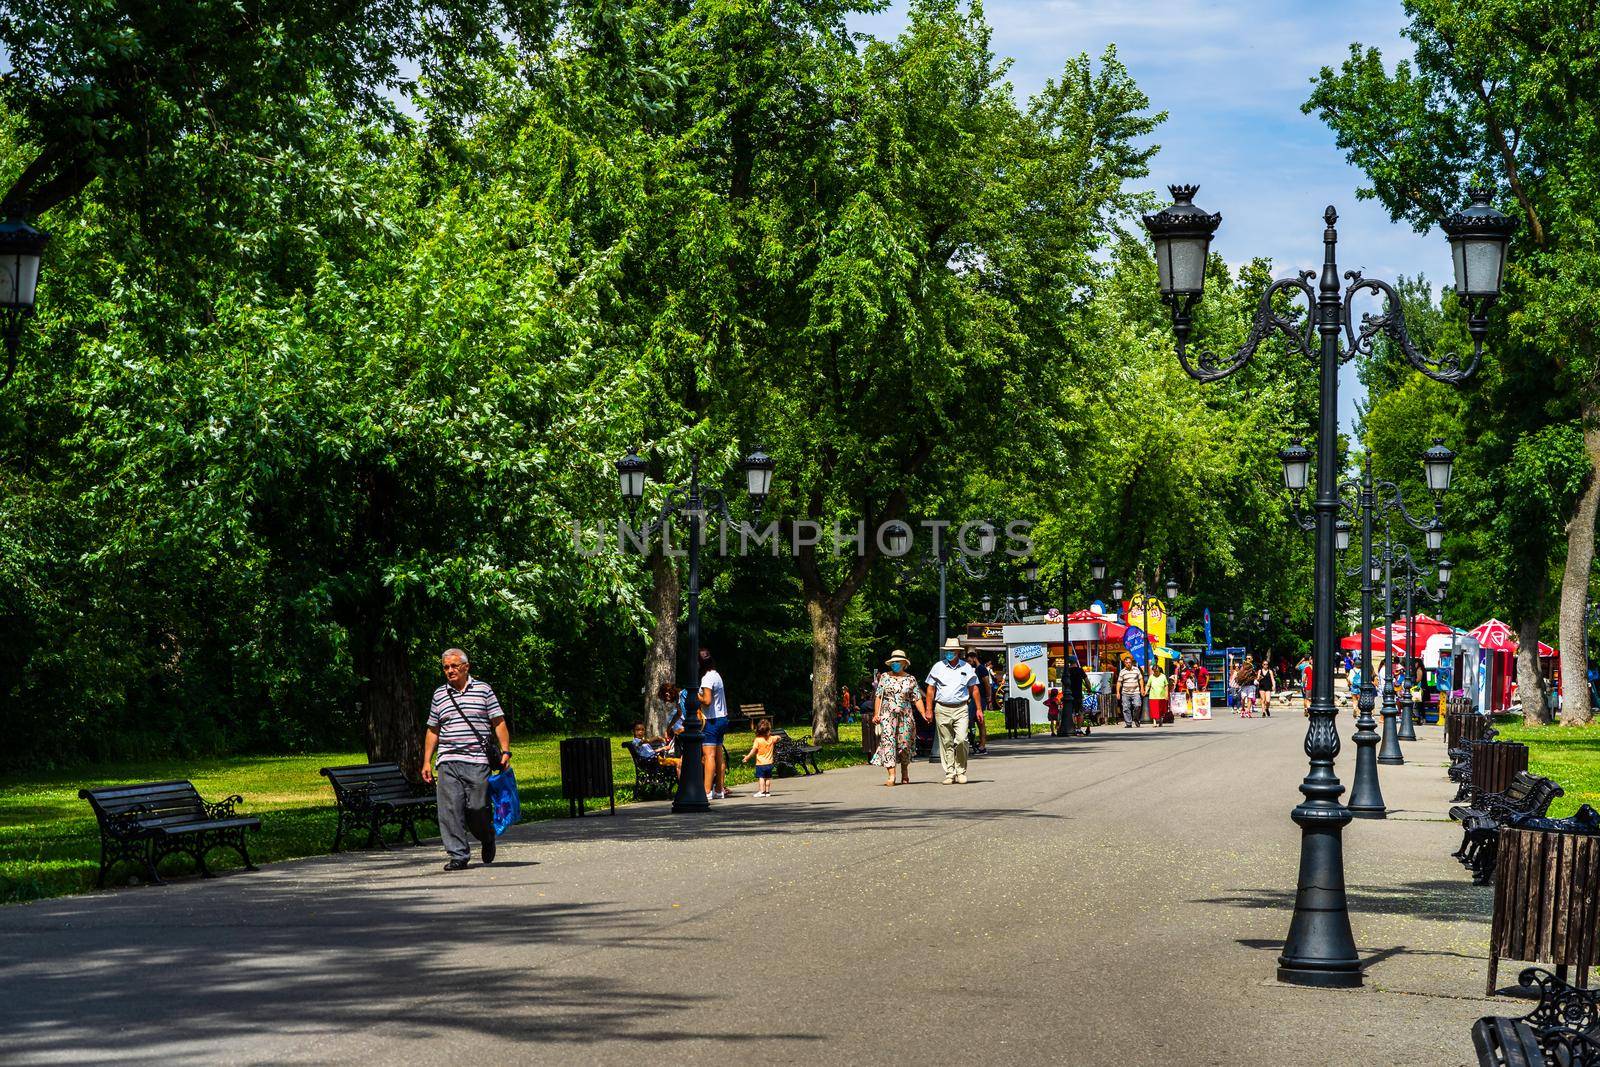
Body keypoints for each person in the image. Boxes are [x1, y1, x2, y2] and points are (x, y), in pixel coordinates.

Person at [422, 647, 510, 872]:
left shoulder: (483, 690)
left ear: (466, 667)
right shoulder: (439, 694)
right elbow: (433, 729)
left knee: (477, 808)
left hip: (478, 760)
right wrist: (426, 762)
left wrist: (506, 751)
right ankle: (458, 856)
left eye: (454, 666)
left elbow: (498, 722)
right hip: (448, 760)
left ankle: (486, 834)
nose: (450, 671)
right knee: (449, 810)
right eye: (445, 667)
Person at [924, 637, 979, 784]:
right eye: (947, 651)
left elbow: (974, 688)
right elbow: (930, 689)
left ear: (958, 652)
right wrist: (928, 709)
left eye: (952, 651)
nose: (949, 653)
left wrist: (979, 709)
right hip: (942, 708)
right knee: (946, 741)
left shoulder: (966, 667)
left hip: (961, 707)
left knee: (961, 739)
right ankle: (950, 772)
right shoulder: (938, 667)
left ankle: (961, 770)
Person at [872, 649, 927, 785]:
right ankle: (892, 776)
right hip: (887, 715)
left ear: (904, 663)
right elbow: (879, 696)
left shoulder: (910, 679)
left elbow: (917, 698)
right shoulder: (884, 677)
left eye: (898, 662)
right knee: (888, 742)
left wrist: (924, 714)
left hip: (905, 716)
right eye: (893, 662)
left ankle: (905, 771)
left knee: (904, 744)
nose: (895, 664)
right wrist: (876, 714)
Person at [698, 650, 733, 800]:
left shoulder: (706, 678)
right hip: (722, 718)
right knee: (718, 755)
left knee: (709, 755)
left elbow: (707, 700)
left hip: (711, 720)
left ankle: (706, 791)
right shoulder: (716, 675)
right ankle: (719, 789)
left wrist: (694, 694)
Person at [740, 719, 778, 797]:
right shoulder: (771, 738)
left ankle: (761, 791)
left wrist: (747, 757)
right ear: (768, 730)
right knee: (768, 778)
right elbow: (778, 737)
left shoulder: (757, 740)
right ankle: (767, 792)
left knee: (761, 778)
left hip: (760, 763)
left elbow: (753, 750)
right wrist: (775, 736)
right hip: (769, 763)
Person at [966, 650, 992, 755]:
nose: (968, 662)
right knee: (975, 721)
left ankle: (982, 745)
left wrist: (988, 698)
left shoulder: (981, 669)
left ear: (974, 658)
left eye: (969, 660)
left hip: (980, 698)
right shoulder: (973, 669)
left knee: (979, 722)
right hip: (973, 698)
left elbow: (987, 684)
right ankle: (978, 744)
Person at [1115, 654, 1145, 728]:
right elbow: (1119, 682)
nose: (1128, 664)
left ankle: (1136, 718)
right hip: (1125, 692)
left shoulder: (1136, 669)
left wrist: (1142, 688)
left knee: (1138, 705)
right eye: (1127, 663)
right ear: (1124, 663)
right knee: (1126, 708)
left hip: (1136, 692)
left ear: (1132, 662)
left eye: (1129, 662)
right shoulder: (1122, 671)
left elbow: (1140, 679)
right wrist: (1118, 692)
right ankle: (1128, 723)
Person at [1062, 654, 1090, 736]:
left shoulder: (1066, 671)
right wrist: (1089, 689)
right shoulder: (1080, 670)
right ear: (1076, 661)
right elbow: (1087, 681)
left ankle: (1073, 728)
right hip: (1078, 694)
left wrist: (1064, 693)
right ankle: (1078, 729)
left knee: (1072, 712)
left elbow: (1063, 684)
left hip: (1069, 695)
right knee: (1080, 712)